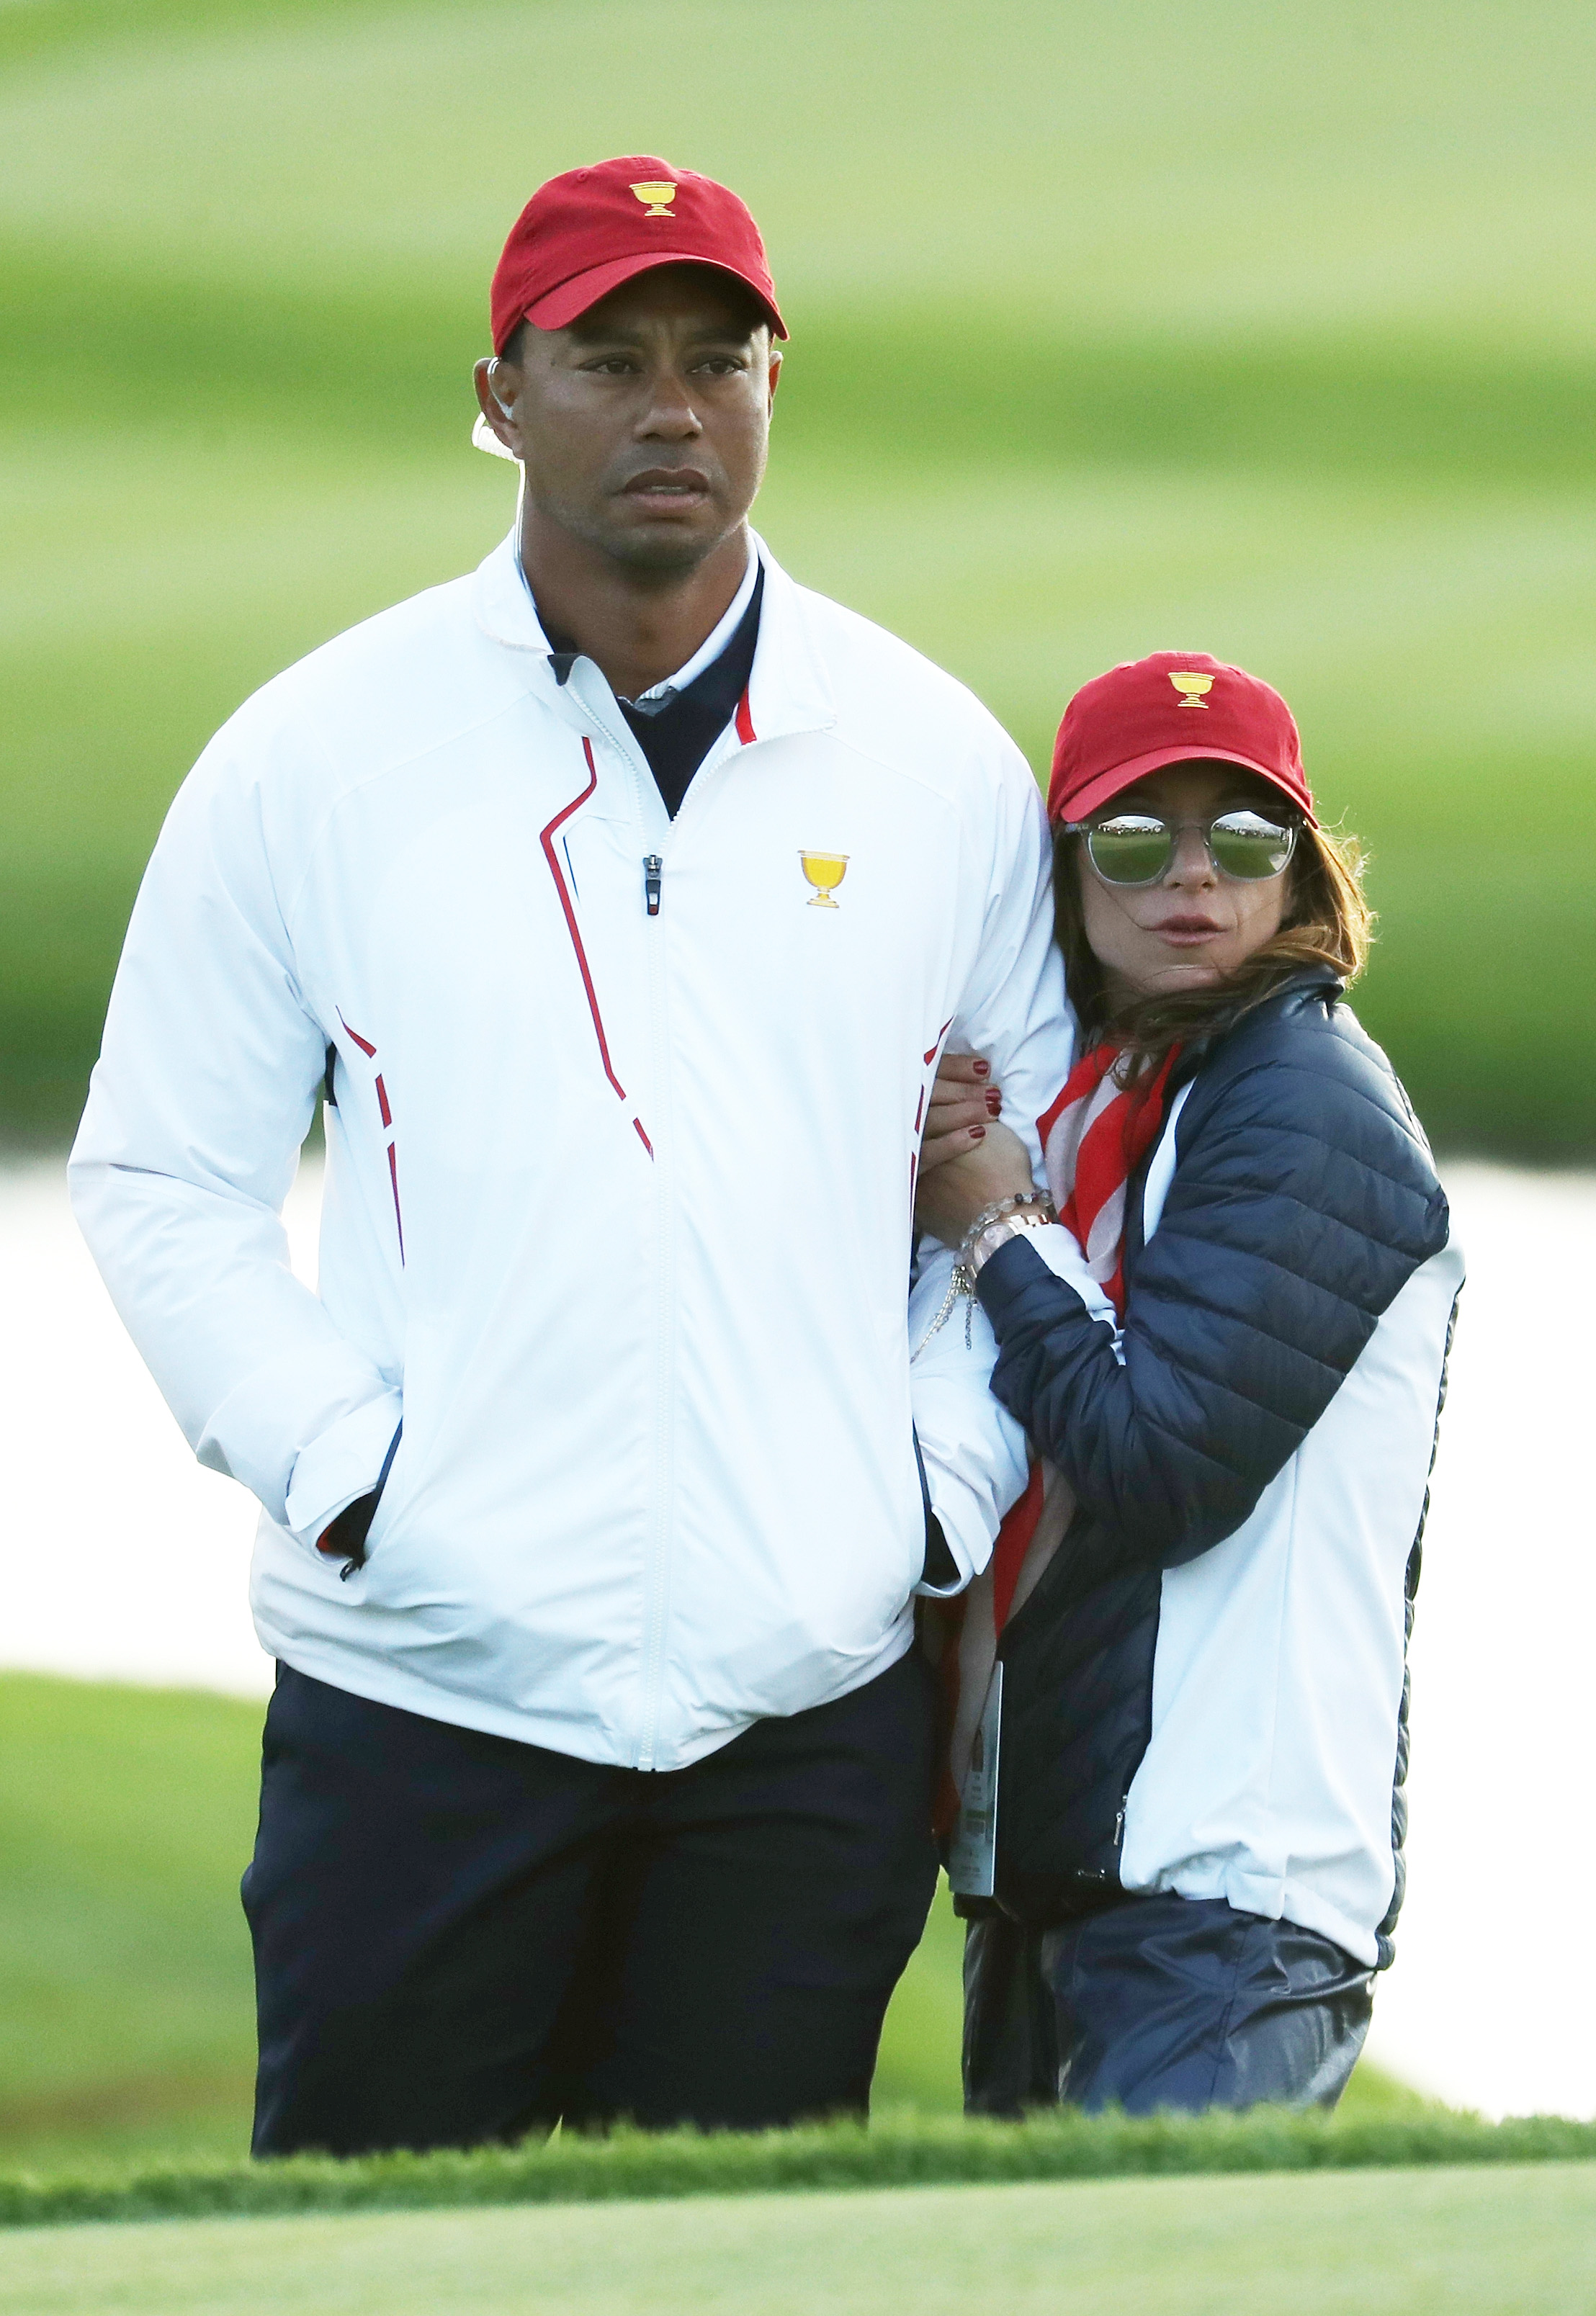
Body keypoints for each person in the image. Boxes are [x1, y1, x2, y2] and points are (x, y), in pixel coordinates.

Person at [68, 157, 1071, 2153]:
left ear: (778, 385)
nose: (673, 406)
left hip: (802, 1711)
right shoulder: (317, 753)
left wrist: (929, 1499)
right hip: (427, 1697)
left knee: (728, 2281)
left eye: (722, 357)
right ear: (501, 394)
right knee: (374, 2272)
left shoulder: (929, 756)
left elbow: (1028, 1187)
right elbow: (162, 1178)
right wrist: (351, 1478)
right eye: (608, 358)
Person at [915, 650, 1463, 2116]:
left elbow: (1160, 1464)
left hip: (1226, 1888)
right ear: (1070, 871)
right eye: (1138, 840)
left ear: (1299, 871)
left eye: (1245, 837)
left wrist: (990, 1225)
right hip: (1083, 1868)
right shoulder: (1122, 1087)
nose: (1194, 880)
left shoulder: (1301, 1105)